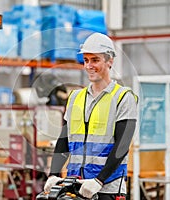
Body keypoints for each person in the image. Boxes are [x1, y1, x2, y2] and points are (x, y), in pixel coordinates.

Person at [43, 32, 138, 200]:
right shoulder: (75, 97)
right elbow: (64, 139)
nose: (89, 66)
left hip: (108, 188)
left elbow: (122, 146)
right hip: (76, 186)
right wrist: (53, 174)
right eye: (86, 60)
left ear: (110, 61)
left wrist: (99, 181)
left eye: (95, 60)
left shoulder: (123, 97)